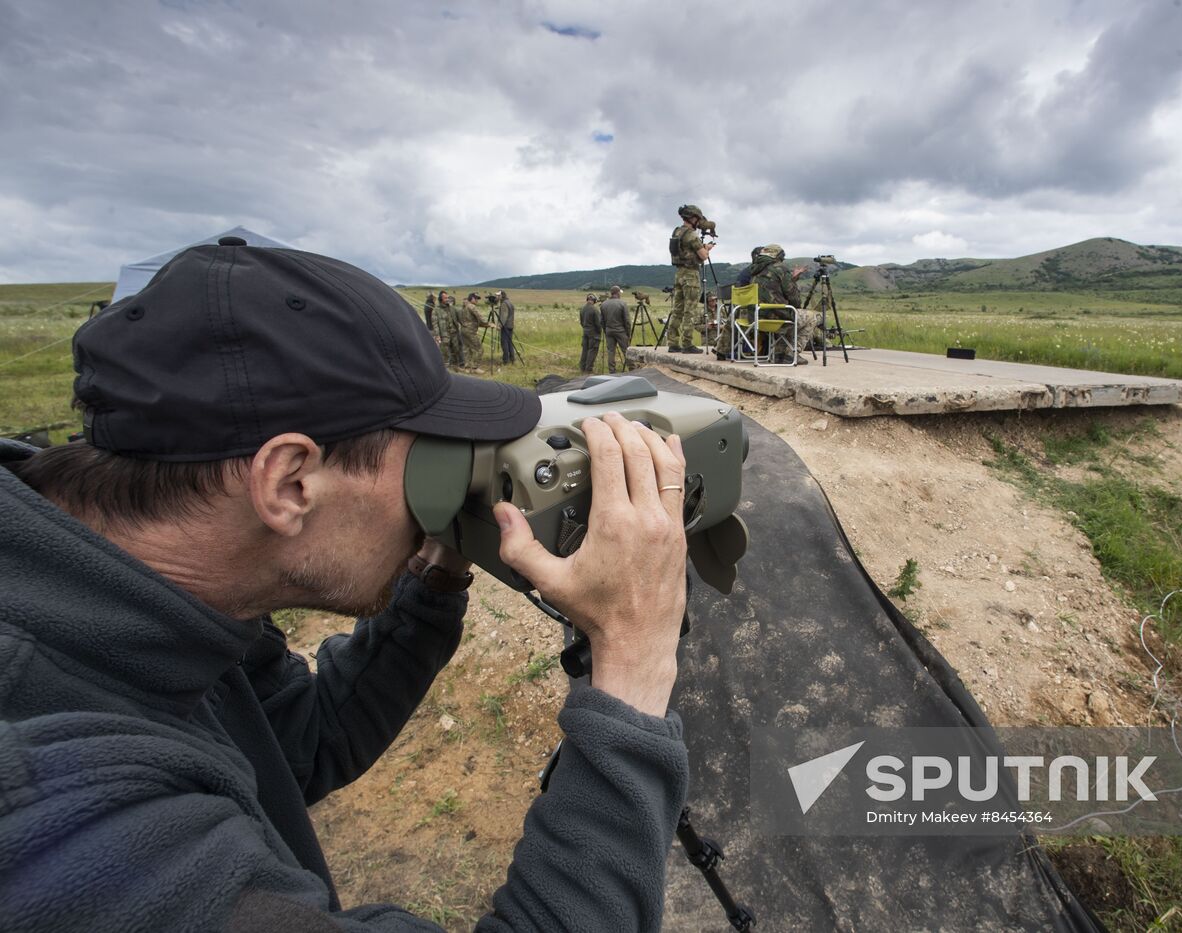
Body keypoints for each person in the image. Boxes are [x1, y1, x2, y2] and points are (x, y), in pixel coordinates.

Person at [0, 237, 691, 931]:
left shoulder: (158, 590)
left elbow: (299, 742)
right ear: (290, 481)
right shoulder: (65, 821)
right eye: (424, 457)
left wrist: (435, 574)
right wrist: (632, 661)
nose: (435, 491)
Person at [746, 243, 818, 365]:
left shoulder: (754, 269)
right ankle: (791, 354)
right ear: (778, 256)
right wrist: (793, 283)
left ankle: (779, 353)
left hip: (755, 317)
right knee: (812, 317)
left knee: (785, 313)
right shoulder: (780, 268)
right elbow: (794, 298)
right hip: (775, 318)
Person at [664, 204, 711, 354]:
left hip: (679, 274)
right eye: (697, 218)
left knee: (677, 309)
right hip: (691, 275)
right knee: (689, 310)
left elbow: (685, 250)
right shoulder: (691, 234)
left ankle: (672, 342)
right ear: (693, 218)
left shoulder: (677, 232)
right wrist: (707, 249)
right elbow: (703, 256)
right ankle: (687, 343)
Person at [599, 286, 631, 374]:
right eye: (620, 292)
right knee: (626, 350)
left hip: (609, 331)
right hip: (620, 331)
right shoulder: (622, 303)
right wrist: (628, 333)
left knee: (610, 352)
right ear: (617, 293)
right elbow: (627, 321)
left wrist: (606, 330)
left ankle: (612, 371)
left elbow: (601, 321)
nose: (620, 294)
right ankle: (632, 369)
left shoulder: (604, 304)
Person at [461, 292, 489, 371]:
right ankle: (475, 368)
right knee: (479, 348)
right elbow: (479, 317)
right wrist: (488, 323)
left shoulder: (464, 307)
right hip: (470, 331)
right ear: (472, 298)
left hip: (463, 330)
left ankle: (467, 367)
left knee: (467, 349)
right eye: (476, 298)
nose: (477, 300)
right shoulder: (472, 307)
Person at [578, 293, 602, 373]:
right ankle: (588, 369)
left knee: (585, 350)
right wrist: (599, 332)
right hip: (594, 334)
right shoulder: (595, 310)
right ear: (594, 301)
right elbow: (598, 324)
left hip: (585, 332)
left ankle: (582, 367)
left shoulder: (582, 309)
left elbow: (581, 322)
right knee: (592, 350)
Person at [497, 290, 517, 364]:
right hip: (510, 325)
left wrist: (499, 325)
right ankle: (512, 359)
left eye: (498, 295)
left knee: (504, 343)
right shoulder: (509, 302)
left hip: (505, 326)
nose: (497, 297)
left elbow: (504, 316)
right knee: (509, 343)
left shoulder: (504, 304)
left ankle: (506, 360)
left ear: (502, 295)